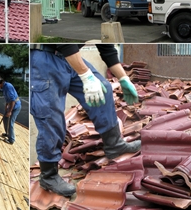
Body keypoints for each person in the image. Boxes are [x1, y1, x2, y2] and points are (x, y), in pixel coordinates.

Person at [30, 44, 141, 197]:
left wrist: (123, 78)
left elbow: (107, 49)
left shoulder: (106, 24)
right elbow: (63, 42)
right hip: (45, 58)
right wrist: (86, 77)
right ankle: (48, 175)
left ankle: (114, 145)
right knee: (50, 116)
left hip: (70, 57)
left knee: (103, 88)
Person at [0, 75, 21, 144]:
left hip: (15, 107)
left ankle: (11, 140)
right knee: (5, 119)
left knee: (10, 123)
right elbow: (8, 98)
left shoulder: (7, 87)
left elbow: (13, 100)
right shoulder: (4, 87)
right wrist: (7, 105)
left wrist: (9, 111)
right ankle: (8, 133)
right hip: (11, 105)